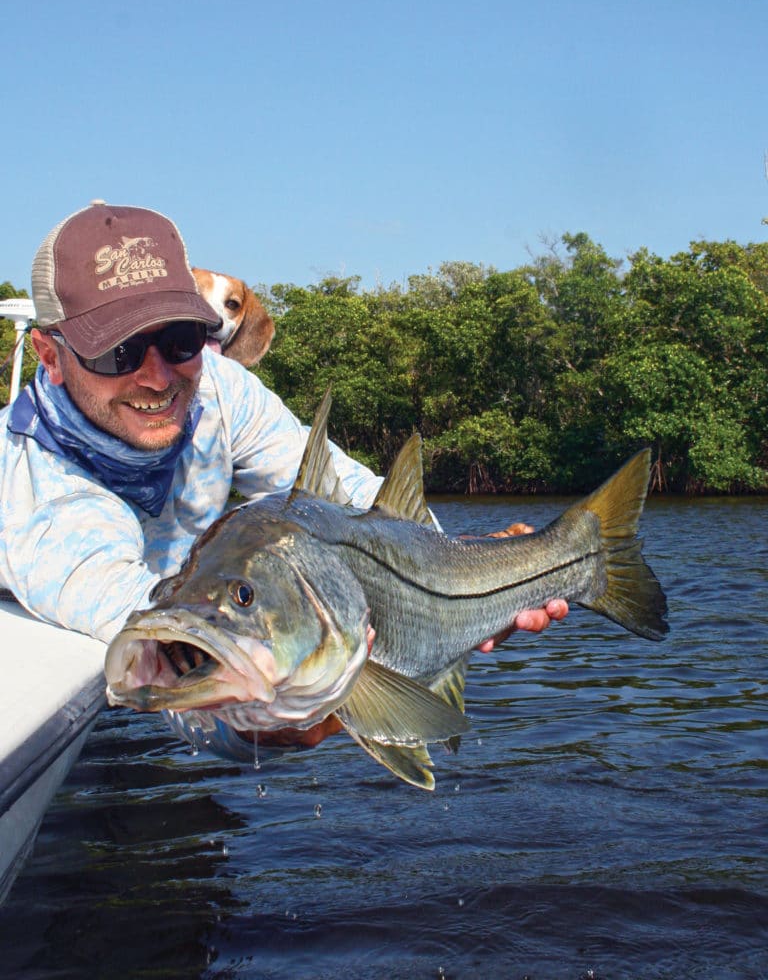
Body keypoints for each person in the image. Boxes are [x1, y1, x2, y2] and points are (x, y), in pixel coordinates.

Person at [0, 201, 567, 754]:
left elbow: (353, 500)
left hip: (205, 589)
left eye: (179, 339)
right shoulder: (38, 496)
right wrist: (272, 722)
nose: (157, 377)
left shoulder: (218, 385)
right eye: (118, 352)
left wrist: (456, 578)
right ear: (49, 355)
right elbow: (154, 647)